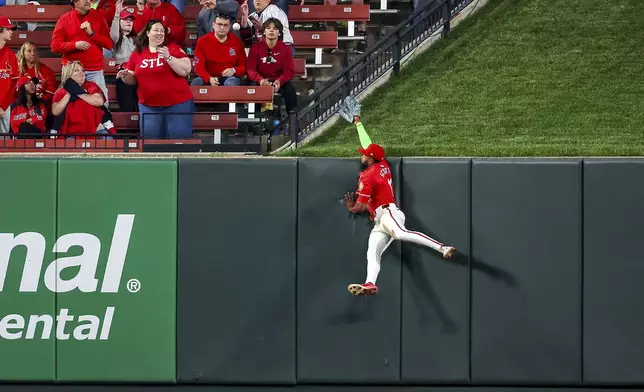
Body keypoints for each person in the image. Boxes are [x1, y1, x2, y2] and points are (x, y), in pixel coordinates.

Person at [337, 97, 456, 296]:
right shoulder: (381, 163)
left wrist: (351, 207)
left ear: (370, 158)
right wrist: (358, 122)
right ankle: (369, 284)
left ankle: (442, 247)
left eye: (364, 155)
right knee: (372, 251)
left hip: (388, 213)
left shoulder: (369, 175)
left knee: (401, 234)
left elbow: (360, 207)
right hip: (380, 220)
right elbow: (368, 143)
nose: (362, 155)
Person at [117, 20, 194, 139]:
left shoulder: (173, 49)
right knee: (150, 144)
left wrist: (168, 58)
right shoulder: (138, 53)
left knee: (178, 142)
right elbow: (132, 79)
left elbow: (186, 70)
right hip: (149, 107)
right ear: (148, 33)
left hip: (177, 105)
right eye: (156, 30)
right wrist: (125, 75)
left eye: (162, 31)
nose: (160, 33)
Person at [50, 0, 113, 105]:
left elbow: (109, 44)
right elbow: (54, 46)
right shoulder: (64, 19)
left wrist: (92, 34)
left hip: (94, 70)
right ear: (75, 1)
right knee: (68, 104)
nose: (88, 1)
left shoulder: (98, 17)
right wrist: (74, 45)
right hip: (71, 70)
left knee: (102, 105)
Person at [51, 61, 116, 138]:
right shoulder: (60, 92)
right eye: (76, 70)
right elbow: (55, 111)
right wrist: (69, 93)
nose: (81, 73)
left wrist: (78, 91)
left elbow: (99, 101)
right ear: (68, 74)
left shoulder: (91, 85)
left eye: (82, 70)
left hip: (97, 130)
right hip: (71, 133)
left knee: (110, 143)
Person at [246, 18, 296, 116]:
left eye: (275, 28)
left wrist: (280, 81)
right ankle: (255, 119)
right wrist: (260, 80)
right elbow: (250, 69)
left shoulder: (285, 49)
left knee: (289, 90)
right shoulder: (256, 47)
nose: (271, 30)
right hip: (260, 80)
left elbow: (288, 71)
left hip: (277, 80)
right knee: (253, 89)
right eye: (268, 28)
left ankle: (293, 119)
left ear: (280, 33)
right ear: (264, 32)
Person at [193, 13, 246, 86]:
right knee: (197, 82)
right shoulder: (203, 41)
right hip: (209, 77)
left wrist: (233, 70)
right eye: (219, 24)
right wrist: (209, 78)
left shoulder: (237, 42)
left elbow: (243, 67)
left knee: (232, 83)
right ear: (213, 25)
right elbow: (199, 67)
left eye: (225, 25)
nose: (222, 28)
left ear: (229, 27)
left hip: (229, 78)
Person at [110, 1, 138, 111]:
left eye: (131, 20)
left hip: (137, 72)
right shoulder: (116, 38)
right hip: (123, 72)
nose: (129, 22)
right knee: (128, 106)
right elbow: (114, 35)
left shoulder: (137, 39)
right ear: (119, 22)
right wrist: (117, 15)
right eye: (125, 19)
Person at [17, 42, 57, 108]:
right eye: (29, 51)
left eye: (35, 50)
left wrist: (37, 100)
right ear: (23, 53)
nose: (33, 53)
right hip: (19, 106)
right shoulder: (17, 70)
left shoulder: (46, 70)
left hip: (40, 105)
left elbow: (51, 92)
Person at [0, 16, 19, 134]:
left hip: (4, 108)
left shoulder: (11, 55)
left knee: (4, 143)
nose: (11, 32)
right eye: (8, 29)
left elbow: (13, 84)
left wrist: (3, 106)